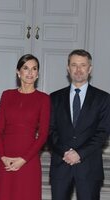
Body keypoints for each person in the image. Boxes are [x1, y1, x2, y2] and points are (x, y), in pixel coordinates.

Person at [49, 49, 110, 200]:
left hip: (89, 167)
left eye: (83, 65)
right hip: (61, 166)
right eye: (74, 65)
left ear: (90, 69)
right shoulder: (54, 98)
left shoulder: (103, 98)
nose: (78, 69)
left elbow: (103, 133)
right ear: (68, 68)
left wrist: (79, 153)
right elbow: (49, 131)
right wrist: (65, 152)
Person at [0, 54, 51, 200]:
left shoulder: (44, 99)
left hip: (29, 160)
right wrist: (2, 157)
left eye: (34, 69)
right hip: (6, 159)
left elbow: (43, 134)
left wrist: (24, 159)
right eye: (26, 68)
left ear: (38, 74)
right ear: (18, 72)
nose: (30, 72)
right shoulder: (6, 95)